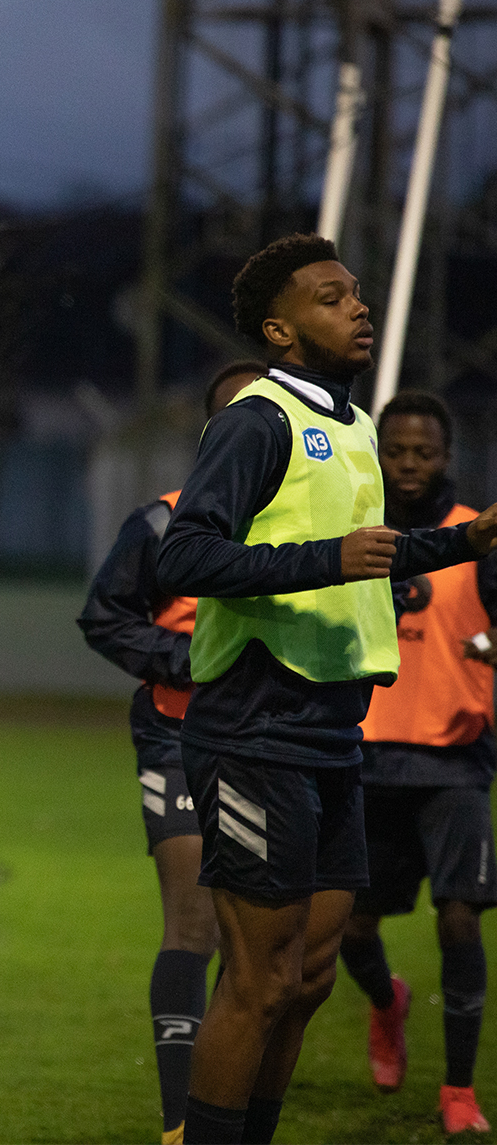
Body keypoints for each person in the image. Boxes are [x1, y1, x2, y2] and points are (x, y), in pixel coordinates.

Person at [155, 232, 497, 1145]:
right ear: (282, 329)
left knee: (306, 980)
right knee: (257, 982)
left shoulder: (349, 427)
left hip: (334, 728)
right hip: (255, 727)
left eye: (358, 294)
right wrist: (325, 559)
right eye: (332, 297)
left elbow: (370, 562)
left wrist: (470, 539)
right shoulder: (255, 420)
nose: (360, 307)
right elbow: (183, 554)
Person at [78, 358, 266, 1145]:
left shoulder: (315, 528)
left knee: (262, 943)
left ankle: (233, 1104)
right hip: (178, 736)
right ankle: (179, 1123)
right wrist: (190, 659)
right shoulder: (162, 522)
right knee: (191, 922)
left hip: (274, 746)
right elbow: (105, 617)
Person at [337, 389, 497, 1135]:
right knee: (351, 931)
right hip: (364, 759)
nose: (407, 464)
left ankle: (458, 1091)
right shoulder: (352, 536)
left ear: (446, 459)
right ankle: (386, 1003)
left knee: (460, 921)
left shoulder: (480, 538)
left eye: (422, 452)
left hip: (455, 763)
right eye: (394, 450)